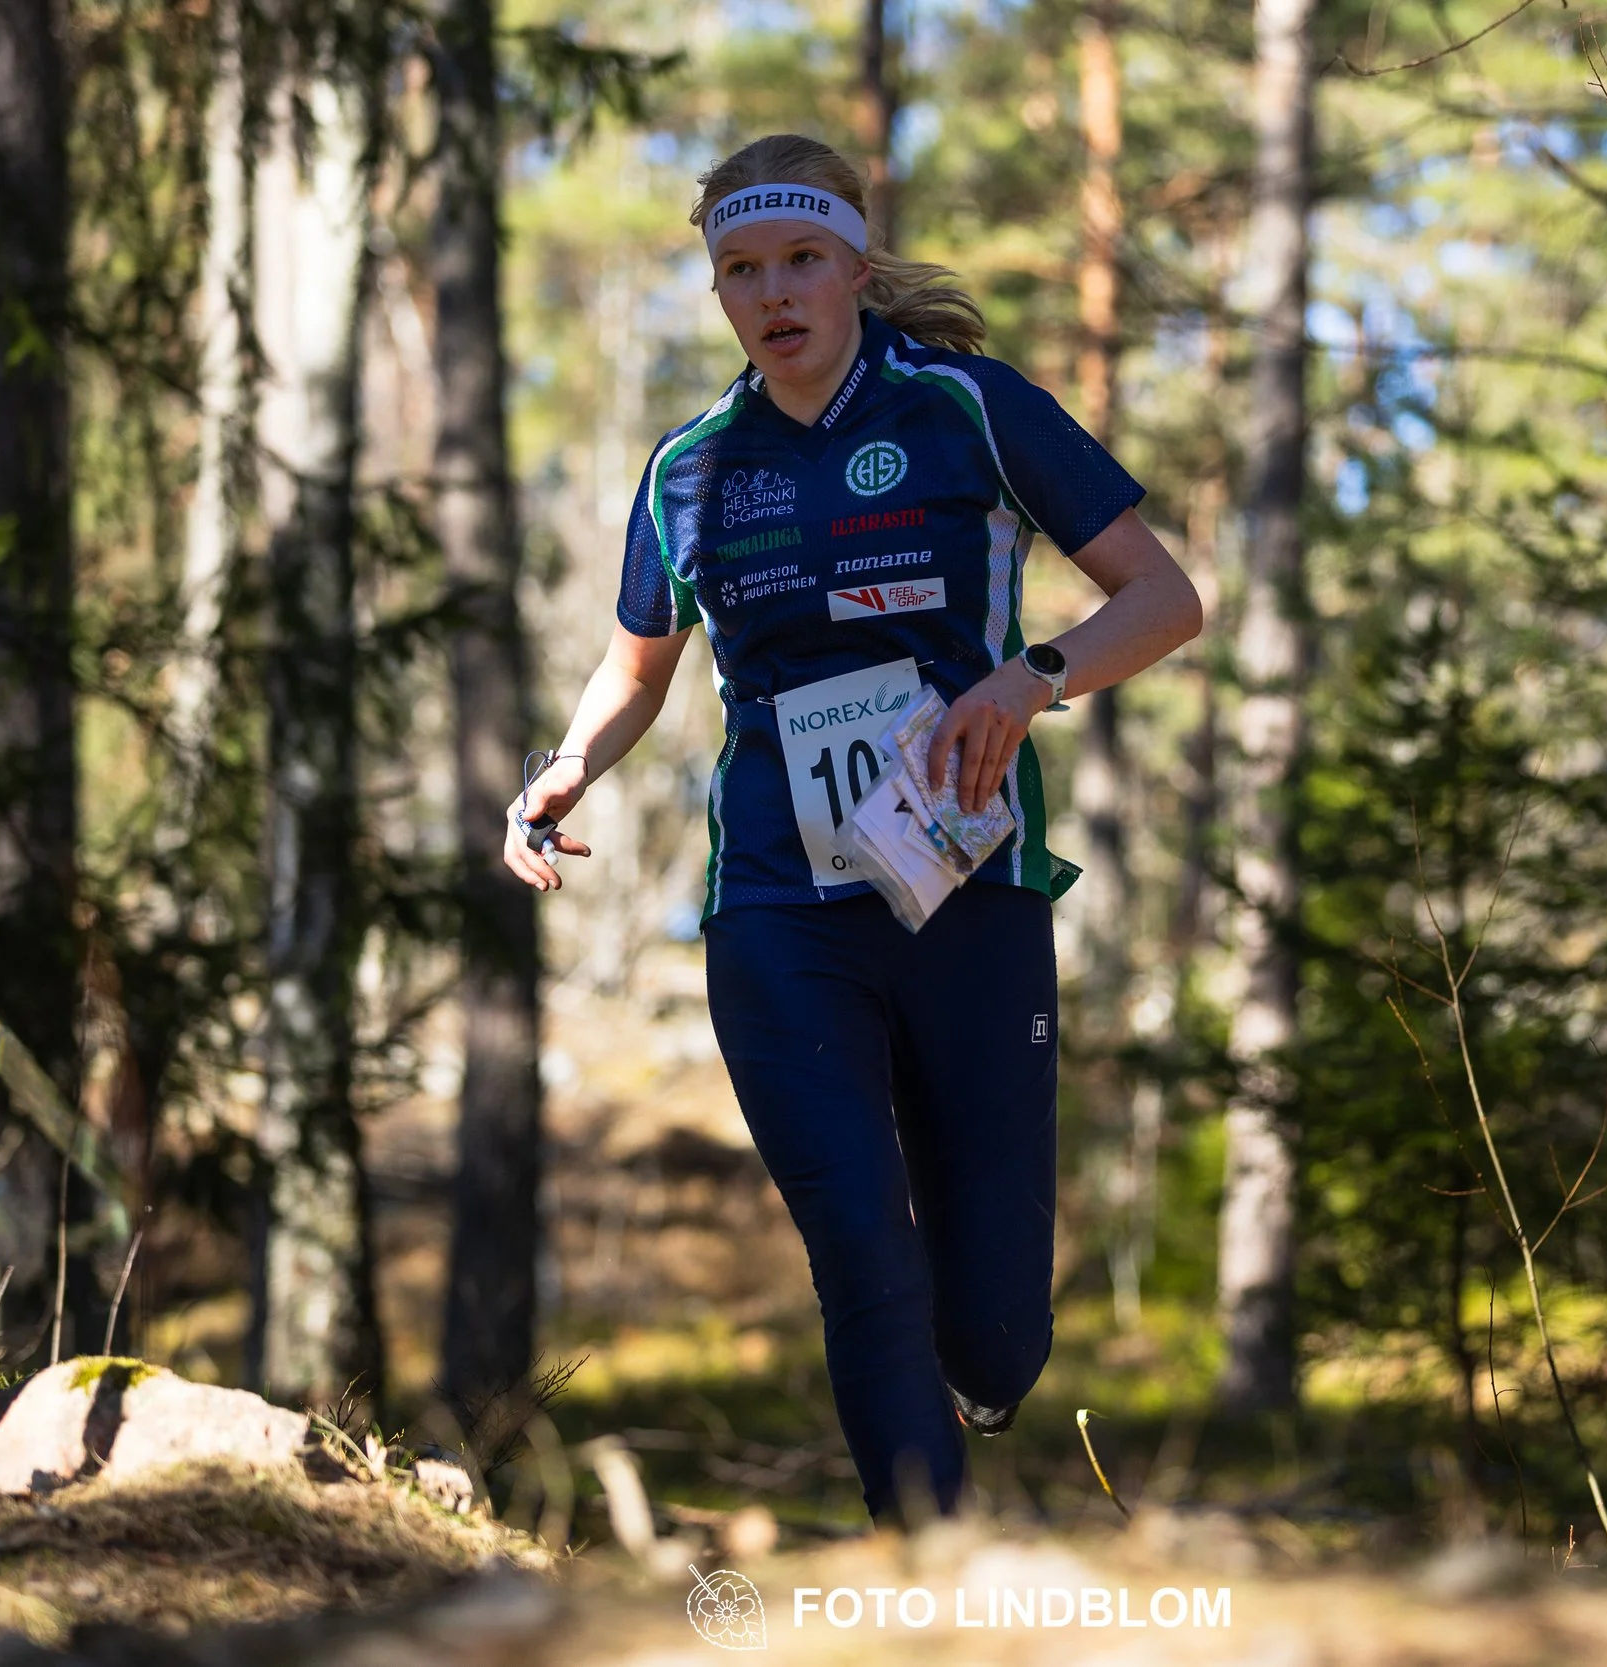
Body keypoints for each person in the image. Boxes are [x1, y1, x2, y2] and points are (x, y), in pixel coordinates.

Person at [504, 133, 1202, 1524]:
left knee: (995, 1329)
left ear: (856, 269)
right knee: (864, 1264)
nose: (774, 294)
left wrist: (1034, 675)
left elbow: (1166, 598)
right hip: (777, 908)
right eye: (740, 271)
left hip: (969, 890)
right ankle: (926, 1577)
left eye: (801, 261)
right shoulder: (691, 467)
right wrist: (569, 762)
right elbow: (639, 667)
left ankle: (977, 1387)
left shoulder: (969, 407)